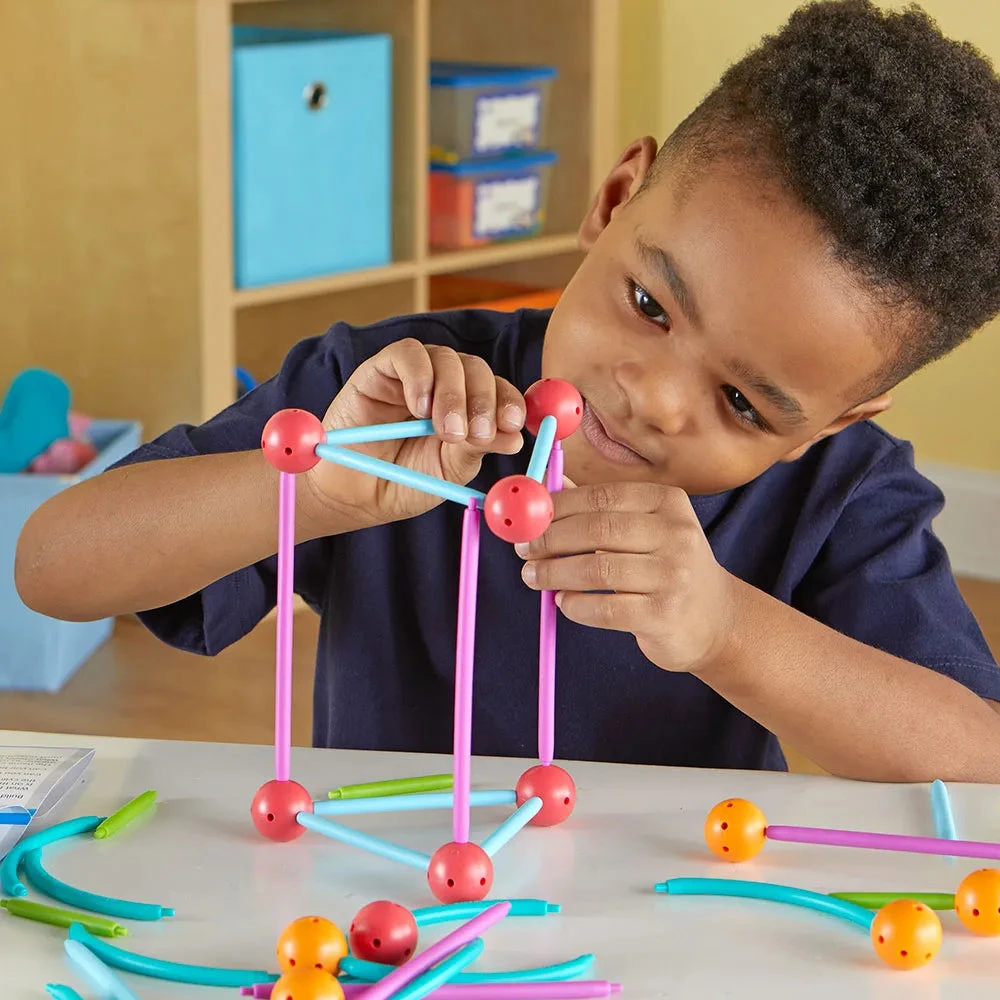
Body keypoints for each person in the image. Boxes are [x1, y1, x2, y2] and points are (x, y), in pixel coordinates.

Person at [15, 0, 1000, 781]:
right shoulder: (388, 394)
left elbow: (980, 767)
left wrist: (725, 630)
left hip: (664, 919)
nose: (655, 400)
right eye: (650, 304)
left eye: (743, 404)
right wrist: (317, 488)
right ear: (612, 199)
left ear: (830, 423)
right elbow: (50, 568)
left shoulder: (840, 493)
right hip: (395, 905)